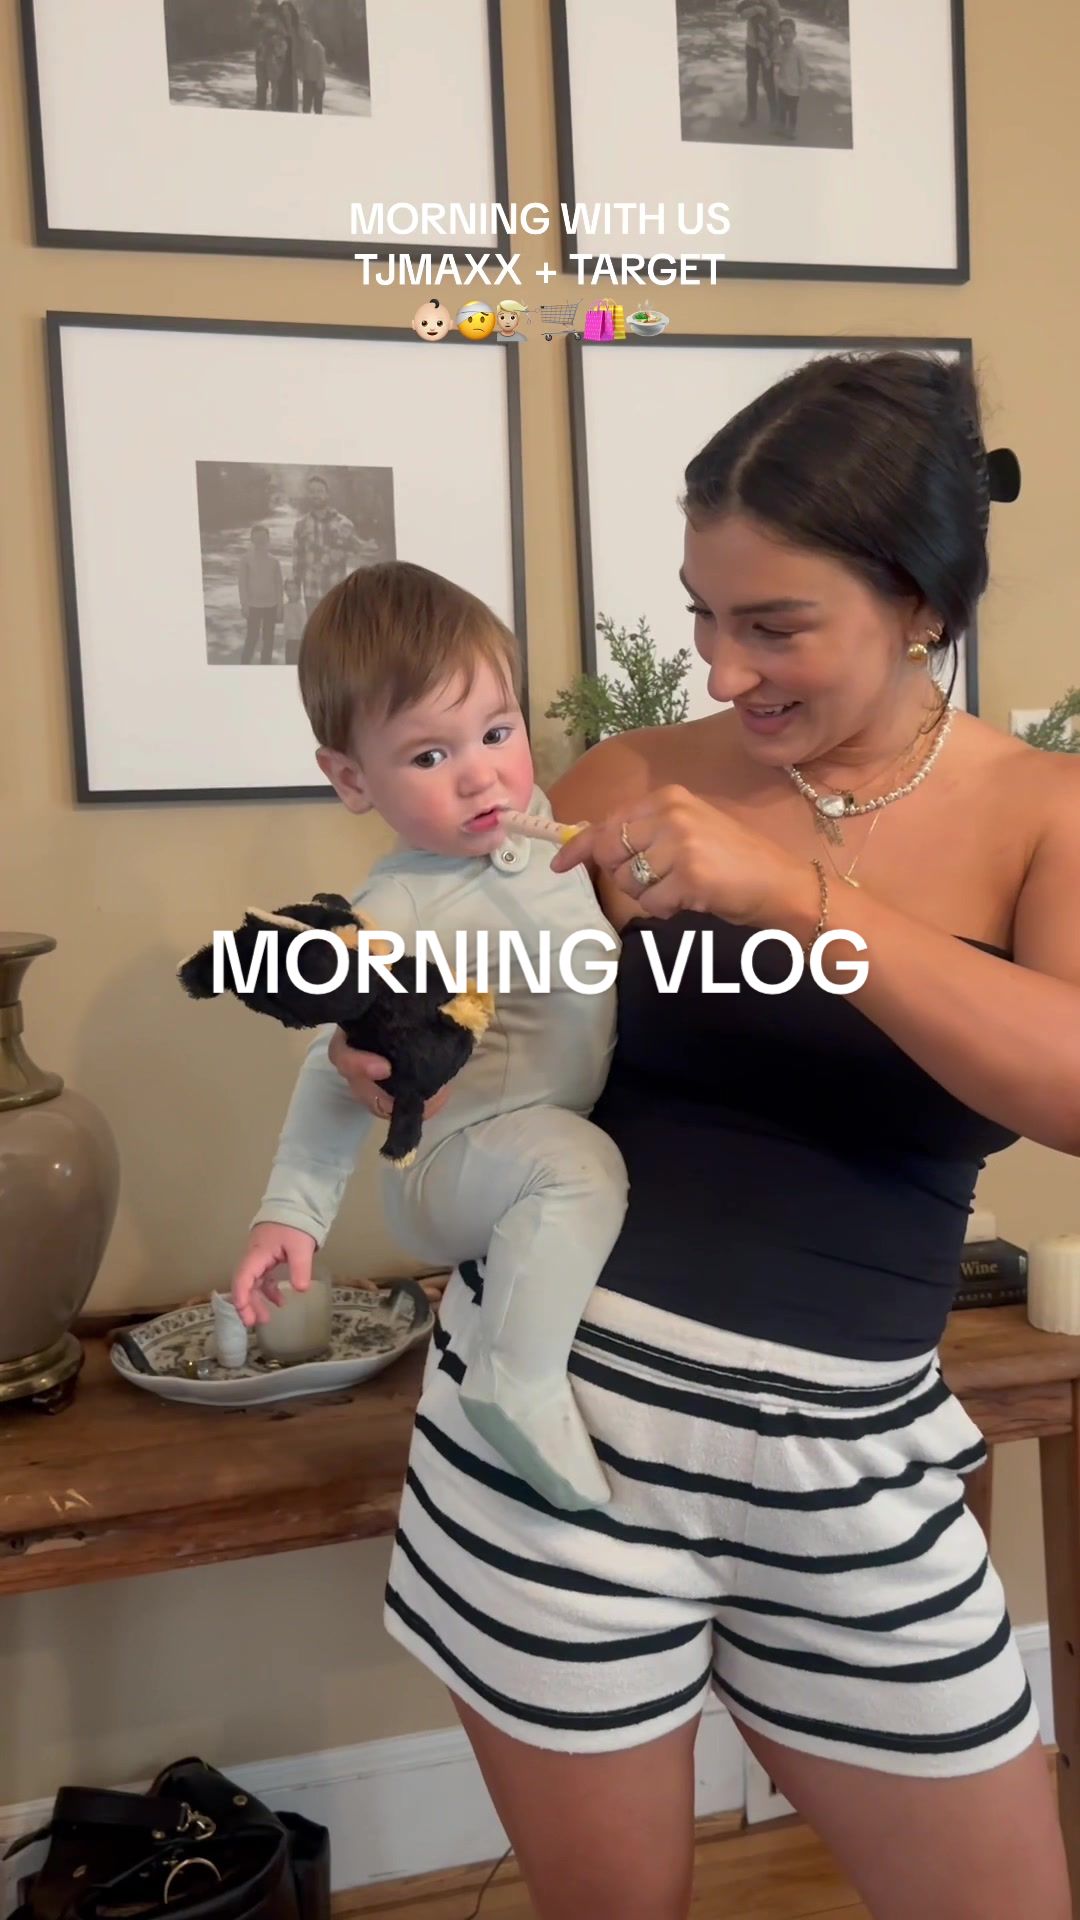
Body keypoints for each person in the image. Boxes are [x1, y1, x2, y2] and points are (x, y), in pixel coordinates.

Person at [325, 351, 1077, 1919]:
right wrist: (402, 1042)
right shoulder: (635, 780)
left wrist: (797, 895)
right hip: (555, 1435)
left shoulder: (1044, 816)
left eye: (774, 625)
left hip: (847, 1465)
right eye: (702, 617)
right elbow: (498, 1017)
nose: (725, 671)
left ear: (919, 602)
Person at [232, 561, 627, 1511]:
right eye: (428, 756)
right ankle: (513, 1382)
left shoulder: (549, 836)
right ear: (351, 779)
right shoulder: (396, 910)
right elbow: (337, 1068)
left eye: (497, 731)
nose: (481, 773)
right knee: (579, 1167)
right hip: (443, 1167)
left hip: (521, 1149)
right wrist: (290, 1213)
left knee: (580, 1161)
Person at [292, 475, 365, 618]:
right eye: (312, 491)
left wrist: (343, 554)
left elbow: (357, 549)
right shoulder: (301, 525)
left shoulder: (343, 523)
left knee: (336, 628)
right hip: (311, 590)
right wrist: (295, 586)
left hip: (335, 589)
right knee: (315, 628)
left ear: (327, 494)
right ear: (308, 495)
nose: (316, 495)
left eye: (320, 491)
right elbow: (297, 557)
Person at [237, 524, 282, 664]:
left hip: (271, 605)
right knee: (252, 638)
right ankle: (244, 666)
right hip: (253, 605)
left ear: (268, 539)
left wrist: (280, 607)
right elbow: (242, 584)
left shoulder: (274, 561)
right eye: (256, 538)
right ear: (252, 539)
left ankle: (265, 668)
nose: (260, 541)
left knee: (269, 640)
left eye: (263, 537)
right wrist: (244, 605)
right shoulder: (245, 559)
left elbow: (279, 585)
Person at [736, 0, 781, 129]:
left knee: (768, 82)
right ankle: (751, 114)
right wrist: (756, 8)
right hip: (751, 47)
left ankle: (774, 117)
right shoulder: (751, 1)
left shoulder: (773, 3)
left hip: (767, 48)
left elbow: (776, 28)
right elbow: (742, 15)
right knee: (751, 80)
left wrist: (774, 50)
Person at [774, 16, 810, 137]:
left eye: (789, 33)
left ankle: (791, 129)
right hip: (782, 86)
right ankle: (781, 126)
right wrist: (776, 77)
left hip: (794, 88)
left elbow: (803, 69)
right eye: (783, 33)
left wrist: (804, 83)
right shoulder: (780, 49)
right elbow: (777, 64)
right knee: (781, 109)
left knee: (792, 110)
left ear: (794, 34)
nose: (786, 36)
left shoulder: (798, 51)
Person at [299, 25, 326, 113]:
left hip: (317, 81)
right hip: (307, 81)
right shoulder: (303, 47)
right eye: (301, 32)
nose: (303, 34)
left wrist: (320, 80)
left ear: (310, 32)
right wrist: (301, 73)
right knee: (306, 108)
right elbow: (302, 63)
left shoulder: (317, 45)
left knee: (318, 109)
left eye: (304, 31)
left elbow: (322, 64)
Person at [282, 575, 306, 664]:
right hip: (289, 641)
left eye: (294, 589)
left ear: (299, 591)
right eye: (288, 589)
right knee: (289, 663)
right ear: (285, 591)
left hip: (298, 641)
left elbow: (304, 624)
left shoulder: (300, 607)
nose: (291, 592)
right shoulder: (286, 606)